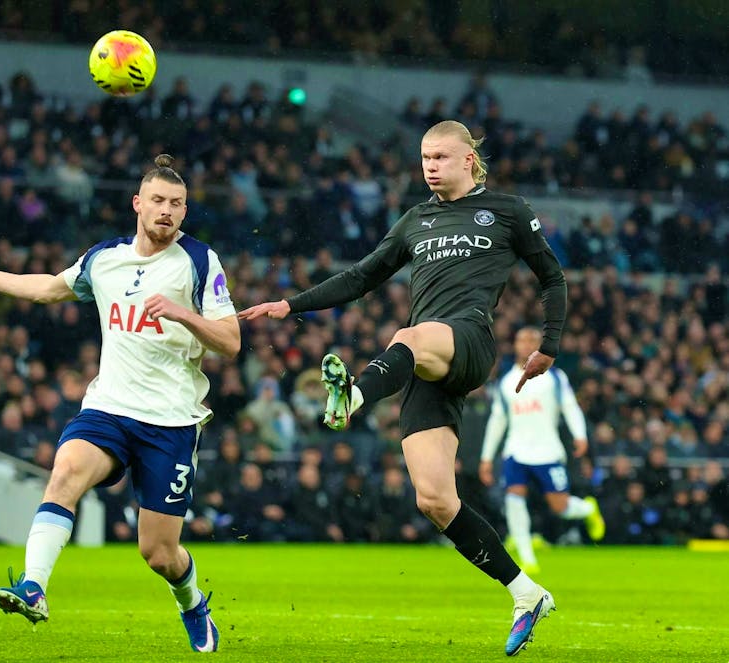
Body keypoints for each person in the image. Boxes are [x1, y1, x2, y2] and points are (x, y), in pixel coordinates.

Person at [239, 120, 566, 656]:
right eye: (425, 158)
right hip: (424, 364)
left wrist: (548, 344)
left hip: (468, 340)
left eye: (441, 157)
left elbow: (552, 276)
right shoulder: (416, 220)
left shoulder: (507, 210)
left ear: (468, 160)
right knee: (435, 500)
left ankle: (353, 396)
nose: (430, 166)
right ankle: (526, 593)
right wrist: (290, 304)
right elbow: (361, 276)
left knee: (408, 335)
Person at [0, 154, 239, 652]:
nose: (167, 211)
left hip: (170, 421)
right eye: (158, 200)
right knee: (65, 472)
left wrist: (182, 314)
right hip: (109, 408)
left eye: (176, 204)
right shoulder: (104, 258)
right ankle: (33, 586)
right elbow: (50, 289)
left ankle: (192, 603)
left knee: (159, 553)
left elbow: (230, 341)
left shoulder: (198, 261)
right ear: (137, 203)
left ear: (185, 211)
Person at [479, 326, 606, 574]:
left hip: (547, 451)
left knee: (560, 507)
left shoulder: (554, 378)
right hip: (515, 450)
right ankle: (527, 559)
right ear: (515, 345)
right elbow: (498, 421)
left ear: (540, 345)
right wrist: (486, 457)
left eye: (532, 340)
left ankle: (588, 509)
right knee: (514, 498)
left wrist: (580, 435)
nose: (526, 344)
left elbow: (570, 407)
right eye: (522, 340)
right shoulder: (506, 382)